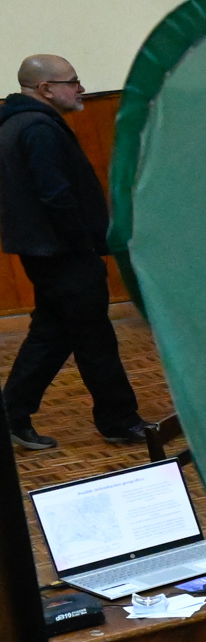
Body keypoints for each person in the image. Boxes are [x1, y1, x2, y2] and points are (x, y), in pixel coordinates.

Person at [1, 53, 147, 451]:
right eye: (73, 81)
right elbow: (56, 196)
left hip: (45, 253)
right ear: (46, 89)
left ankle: (11, 413)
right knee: (95, 340)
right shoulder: (39, 129)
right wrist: (83, 244)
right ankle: (120, 421)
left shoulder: (16, 123)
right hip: (65, 255)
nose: (81, 88)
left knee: (51, 335)